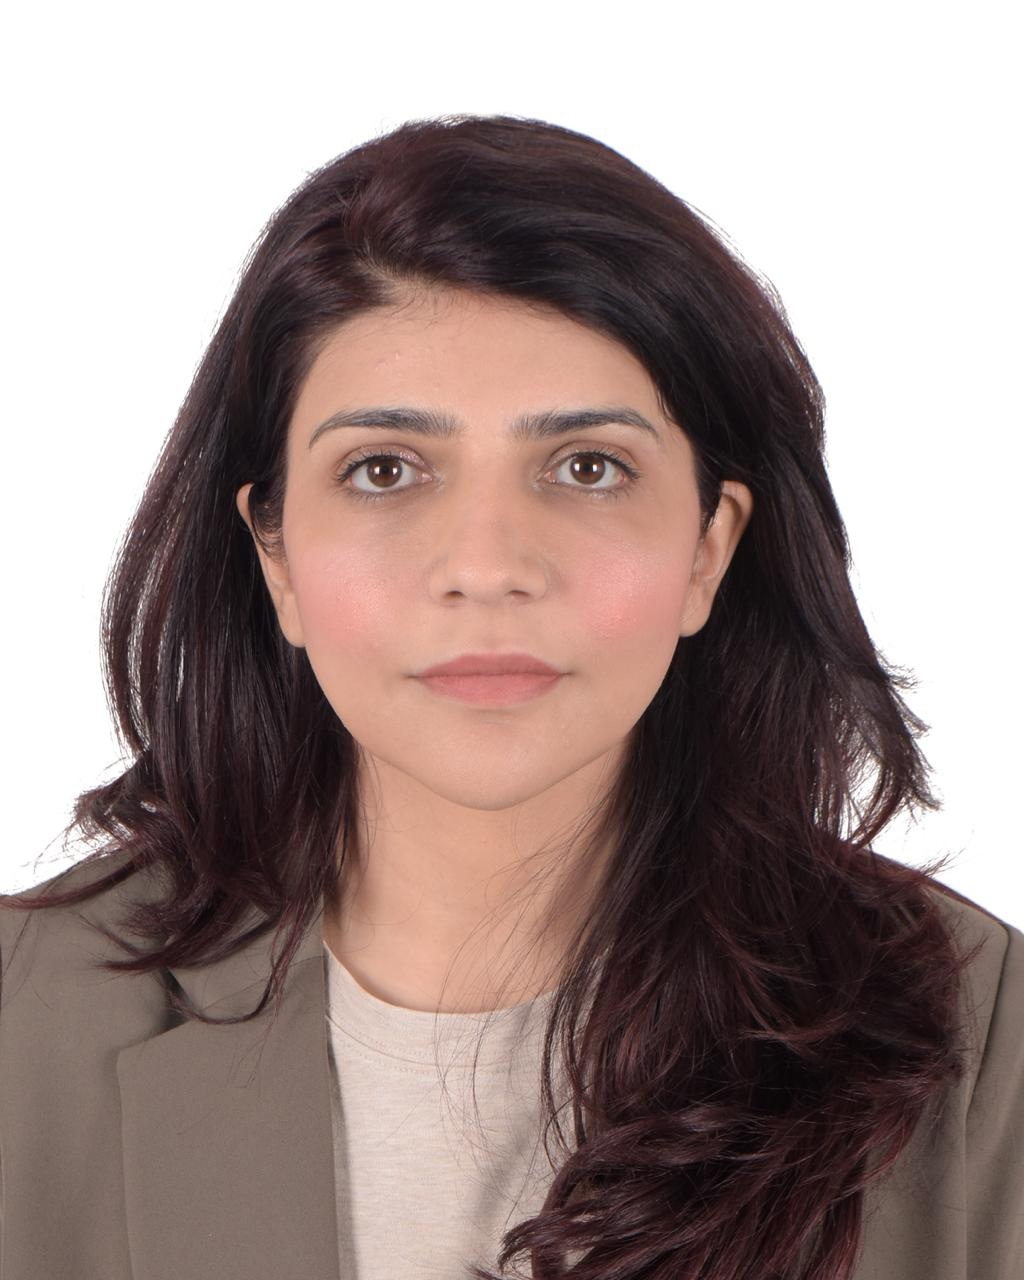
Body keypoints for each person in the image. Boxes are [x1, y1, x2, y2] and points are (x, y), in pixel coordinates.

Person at [0, 113, 1020, 1280]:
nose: (486, 565)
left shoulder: (982, 1038)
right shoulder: (22, 1022)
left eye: (588, 466)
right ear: (274, 553)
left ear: (708, 547)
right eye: (384, 469)